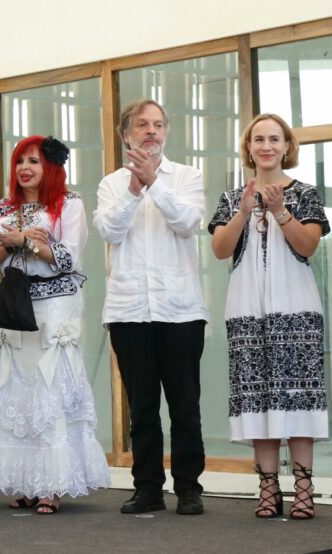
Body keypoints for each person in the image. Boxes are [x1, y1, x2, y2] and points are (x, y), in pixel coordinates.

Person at [0, 135, 109, 514]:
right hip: (14, 304)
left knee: (50, 385)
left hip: (55, 306)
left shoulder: (68, 204)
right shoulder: (3, 207)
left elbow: (68, 258)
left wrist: (28, 244)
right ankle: (24, 481)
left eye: (33, 161)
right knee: (15, 385)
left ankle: (52, 484)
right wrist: (16, 241)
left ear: (50, 167)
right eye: (20, 161)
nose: (25, 168)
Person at [208, 113, 328, 520]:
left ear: (287, 146)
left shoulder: (306, 194)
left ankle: (305, 490)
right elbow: (220, 250)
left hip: (295, 307)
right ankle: (267, 489)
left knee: (297, 397)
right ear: (249, 147)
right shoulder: (230, 198)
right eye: (258, 138)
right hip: (246, 309)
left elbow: (308, 246)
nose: (266, 145)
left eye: (275, 138)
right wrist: (243, 212)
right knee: (257, 399)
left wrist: (280, 211)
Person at [92, 99, 208, 515]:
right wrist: (134, 188)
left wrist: (154, 183)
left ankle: (190, 487)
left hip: (180, 309)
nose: (152, 132)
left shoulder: (187, 176)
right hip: (128, 311)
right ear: (127, 135)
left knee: (185, 404)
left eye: (158, 124)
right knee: (142, 406)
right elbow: (109, 229)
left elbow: (188, 223)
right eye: (142, 125)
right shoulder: (111, 183)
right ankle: (147, 488)